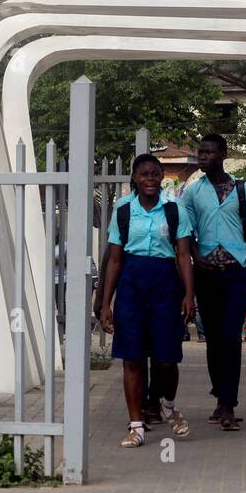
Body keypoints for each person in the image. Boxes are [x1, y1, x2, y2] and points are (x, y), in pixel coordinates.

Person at [93, 154, 196, 449]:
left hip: (165, 284)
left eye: (155, 174)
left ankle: (167, 403)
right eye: (144, 175)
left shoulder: (174, 210)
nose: (150, 180)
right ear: (135, 179)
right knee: (133, 358)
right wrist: (105, 302)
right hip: (132, 285)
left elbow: (183, 255)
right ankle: (136, 425)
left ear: (162, 176)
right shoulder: (124, 210)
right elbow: (114, 259)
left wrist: (189, 294)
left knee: (167, 358)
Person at [180, 133, 246, 431]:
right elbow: (184, 229)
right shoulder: (191, 191)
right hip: (205, 273)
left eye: (209, 152)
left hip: (236, 271)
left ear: (223, 154)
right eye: (200, 152)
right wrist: (193, 256)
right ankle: (219, 395)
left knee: (231, 337)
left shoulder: (244, 190)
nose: (203, 157)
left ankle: (229, 403)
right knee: (212, 339)